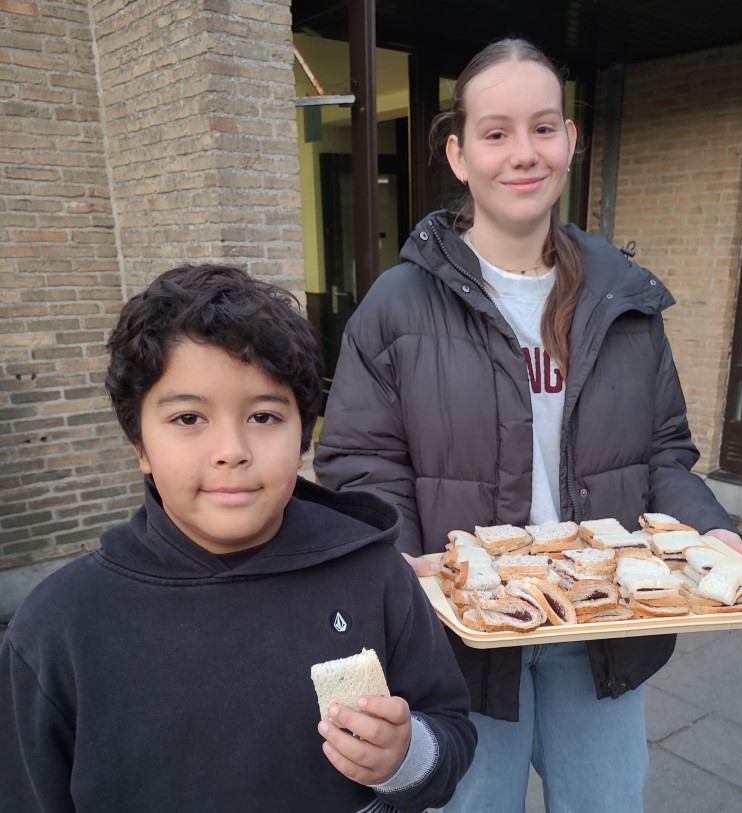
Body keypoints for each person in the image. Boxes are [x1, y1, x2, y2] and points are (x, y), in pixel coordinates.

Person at [314, 37, 742, 813]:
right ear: (459, 155)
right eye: (496, 132)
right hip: (468, 637)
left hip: (599, 626)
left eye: (544, 127)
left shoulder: (625, 300)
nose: (523, 153)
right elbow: (359, 460)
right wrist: (402, 560)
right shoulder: (396, 305)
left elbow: (662, 452)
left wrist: (704, 527)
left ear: (570, 141)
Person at [0, 264, 476, 813]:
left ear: (303, 436)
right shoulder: (59, 627)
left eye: (264, 416)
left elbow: (450, 728)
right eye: (188, 418)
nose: (232, 450)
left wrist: (404, 758)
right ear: (139, 444)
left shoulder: (374, 574)